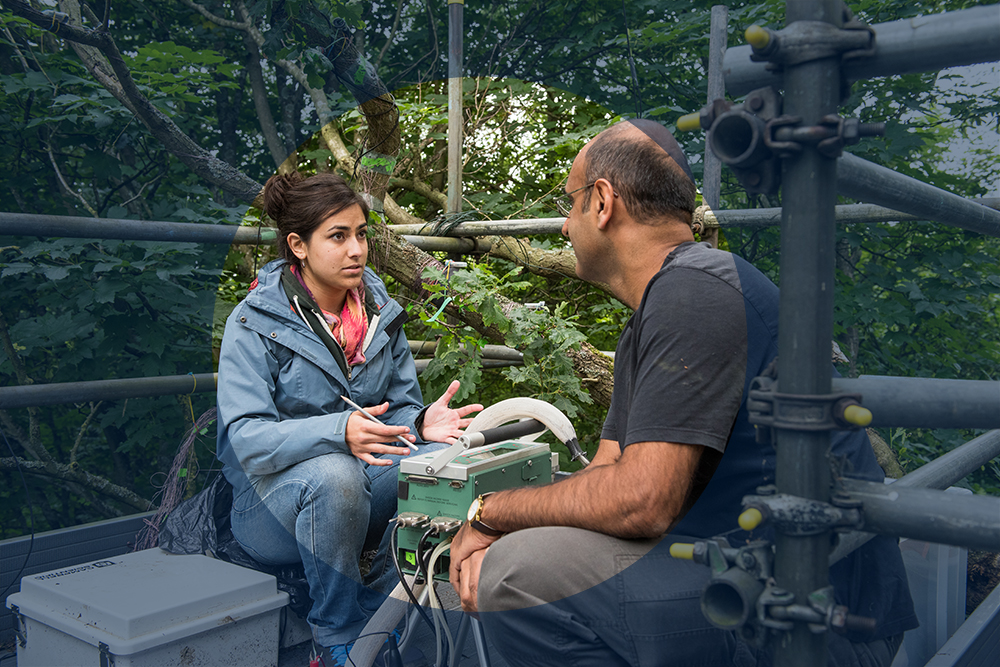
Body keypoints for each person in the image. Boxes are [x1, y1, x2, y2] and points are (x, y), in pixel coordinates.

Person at [448, 119, 917, 666]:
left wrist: (491, 513)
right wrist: (502, 521)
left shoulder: (695, 291)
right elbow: (605, 474)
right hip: (740, 575)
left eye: (569, 202)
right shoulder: (659, 309)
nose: (562, 227)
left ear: (602, 202)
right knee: (520, 552)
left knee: (519, 572)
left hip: (820, 627)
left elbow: (644, 501)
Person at [216, 172, 481, 659]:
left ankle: (382, 607)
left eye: (361, 234)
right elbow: (246, 440)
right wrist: (339, 432)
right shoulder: (253, 323)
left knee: (440, 462)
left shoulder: (379, 311)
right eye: (338, 237)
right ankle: (335, 637)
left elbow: (397, 407)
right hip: (270, 506)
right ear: (298, 245)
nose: (356, 249)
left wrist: (421, 424)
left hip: (361, 488)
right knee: (335, 476)